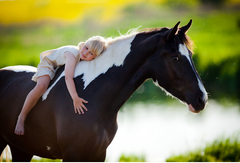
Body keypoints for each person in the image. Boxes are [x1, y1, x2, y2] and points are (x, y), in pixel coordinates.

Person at [14, 36, 108, 135]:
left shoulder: (82, 57)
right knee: (42, 86)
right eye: (86, 48)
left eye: (91, 53)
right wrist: (75, 97)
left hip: (60, 67)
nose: (85, 53)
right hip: (49, 64)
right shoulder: (72, 55)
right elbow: (68, 78)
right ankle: (21, 117)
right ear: (83, 44)